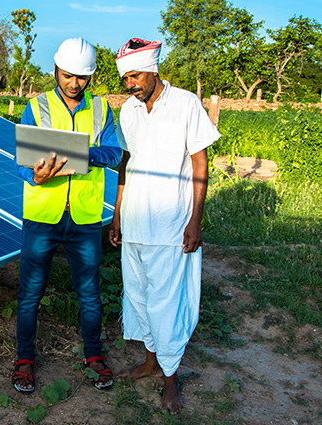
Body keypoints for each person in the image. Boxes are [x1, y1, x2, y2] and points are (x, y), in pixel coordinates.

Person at [107, 37, 220, 413]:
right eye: (126, 78)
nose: (130, 84)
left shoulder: (186, 103)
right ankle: (152, 362)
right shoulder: (129, 112)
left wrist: (195, 220)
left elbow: (200, 163)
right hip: (136, 222)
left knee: (166, 303)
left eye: (136, 76)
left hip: (172, 225)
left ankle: (171, 380)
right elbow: (125, 164)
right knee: (138, 296)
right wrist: (118, 214)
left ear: (154, 69)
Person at [12, 37, 122, 393]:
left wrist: (85, 155)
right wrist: (36, 175)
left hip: (85, 217)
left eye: (82, 77)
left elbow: (114, 153)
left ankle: (94, 356)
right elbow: (23, 162)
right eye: (69, 75)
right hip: (43, 214)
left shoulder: (103, 109)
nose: (75, 83)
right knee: (30, 293)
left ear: (91, 77)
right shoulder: (36, 106)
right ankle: (24, 359)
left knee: (89, 293)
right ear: (56, 69)